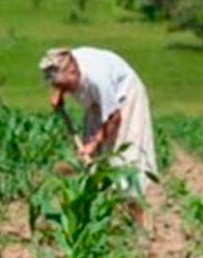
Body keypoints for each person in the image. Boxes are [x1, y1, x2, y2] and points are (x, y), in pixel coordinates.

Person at [39, 47, 159, 212]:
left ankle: (136, 225)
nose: (67, 91)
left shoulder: (97, 79)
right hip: (97, 101)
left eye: (66, 86)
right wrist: (58, 91)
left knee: (125, 161)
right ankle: (101, 214)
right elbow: (58, 71)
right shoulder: (64, 62)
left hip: (125, 97)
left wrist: (94, 143)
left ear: (74, 72)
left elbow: (115, 117)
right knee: (94, 163)